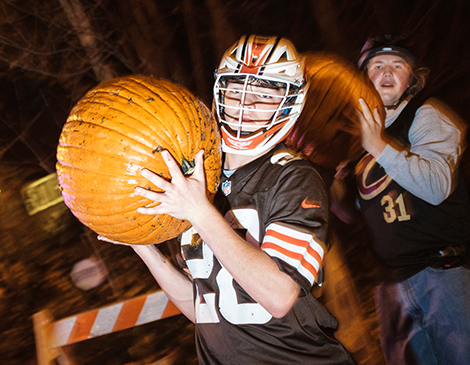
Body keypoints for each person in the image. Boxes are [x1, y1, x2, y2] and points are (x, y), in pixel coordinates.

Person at [101, 35, 355, 364]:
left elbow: (279, 296)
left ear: (290, 101)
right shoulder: (199, 180)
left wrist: (199, 213)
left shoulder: (294, 177)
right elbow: (203, 310)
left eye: (264, 94)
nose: (245, 105)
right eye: (236, 90)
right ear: (220, 92)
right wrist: (141, 246)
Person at [353, 35, 470, 365]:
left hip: (441, 276)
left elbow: (436, 186)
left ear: (412, 79)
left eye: (398, 65)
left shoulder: (427, 113)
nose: (387, 72)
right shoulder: (356, 138)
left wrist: (376, 144)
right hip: (390, 287)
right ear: (363, 78)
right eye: (377, 65)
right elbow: (362, 214)